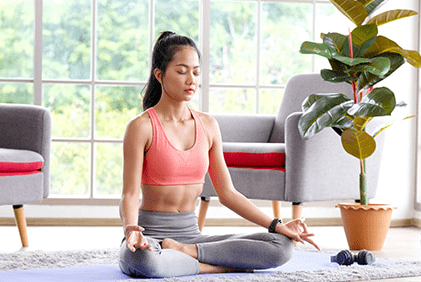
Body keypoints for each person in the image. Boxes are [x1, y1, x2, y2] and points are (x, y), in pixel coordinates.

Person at [118, 31, 320, 278]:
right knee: (145, 262)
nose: (191, 79)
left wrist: (277, 225)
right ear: (159, 75)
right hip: (150, 236)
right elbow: (129, 193)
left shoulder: (208, 126)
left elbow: (228, 193)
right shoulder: (141, 127)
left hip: (192, 236)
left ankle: (186, 252)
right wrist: (131, 230)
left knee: (281, 246)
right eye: (181, 71)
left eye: (196, 72)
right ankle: (218, 267)